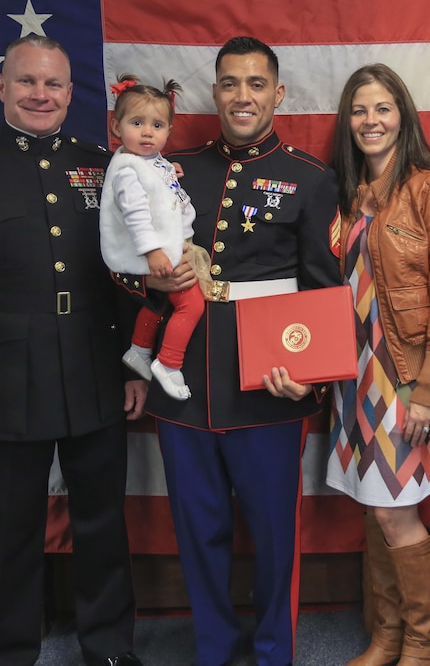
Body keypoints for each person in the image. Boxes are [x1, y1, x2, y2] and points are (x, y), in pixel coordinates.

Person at [0, 35, 145, 666]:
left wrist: (133, 366)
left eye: (54, 84)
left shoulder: (103, 164)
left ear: (72, 93)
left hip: (96, 366)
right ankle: (4, 653)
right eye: (27, 82)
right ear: (2, 88)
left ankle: (109, 650)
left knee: (102, 523)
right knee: (11, 531)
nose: (41, 94)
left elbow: (124, 276)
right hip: (4, 378)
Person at [118, 37, 340, 666]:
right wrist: (147, 286)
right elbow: (125, 257)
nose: (243, 96)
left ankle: (273, 653)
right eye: (230, 84)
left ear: (278, 93)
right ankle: (214, 650)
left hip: (270, 382)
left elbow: (325, 289)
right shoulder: (169, 168)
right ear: (214, 92)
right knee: (198, 530)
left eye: (256, 84)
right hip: (182, 380)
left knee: (274, 536)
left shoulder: (309, 178)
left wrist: (314, 380)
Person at [266, 63, 430, 666]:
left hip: (407, 374)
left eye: (383, 108)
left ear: (402, 115)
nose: (371, 121)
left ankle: (426, 646)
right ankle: (387, 638)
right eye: (359, 110)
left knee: (392, 507)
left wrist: (428, 388)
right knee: (375, 504)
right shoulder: (347, 195)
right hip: (355, 377)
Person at [100, 74, 211, 401]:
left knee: (158, 301)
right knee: (191, 305)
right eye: (137, 122)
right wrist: (153, 253)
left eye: (157, 125)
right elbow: (135, 216)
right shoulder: (127, 170)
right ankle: (169, 362)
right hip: (153, 251)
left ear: (169, 131)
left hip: (168, 247)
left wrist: (167, 171)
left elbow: (159, 186)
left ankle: (138, 349)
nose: (148, 132)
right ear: (116, 127)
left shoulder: (149, 162)